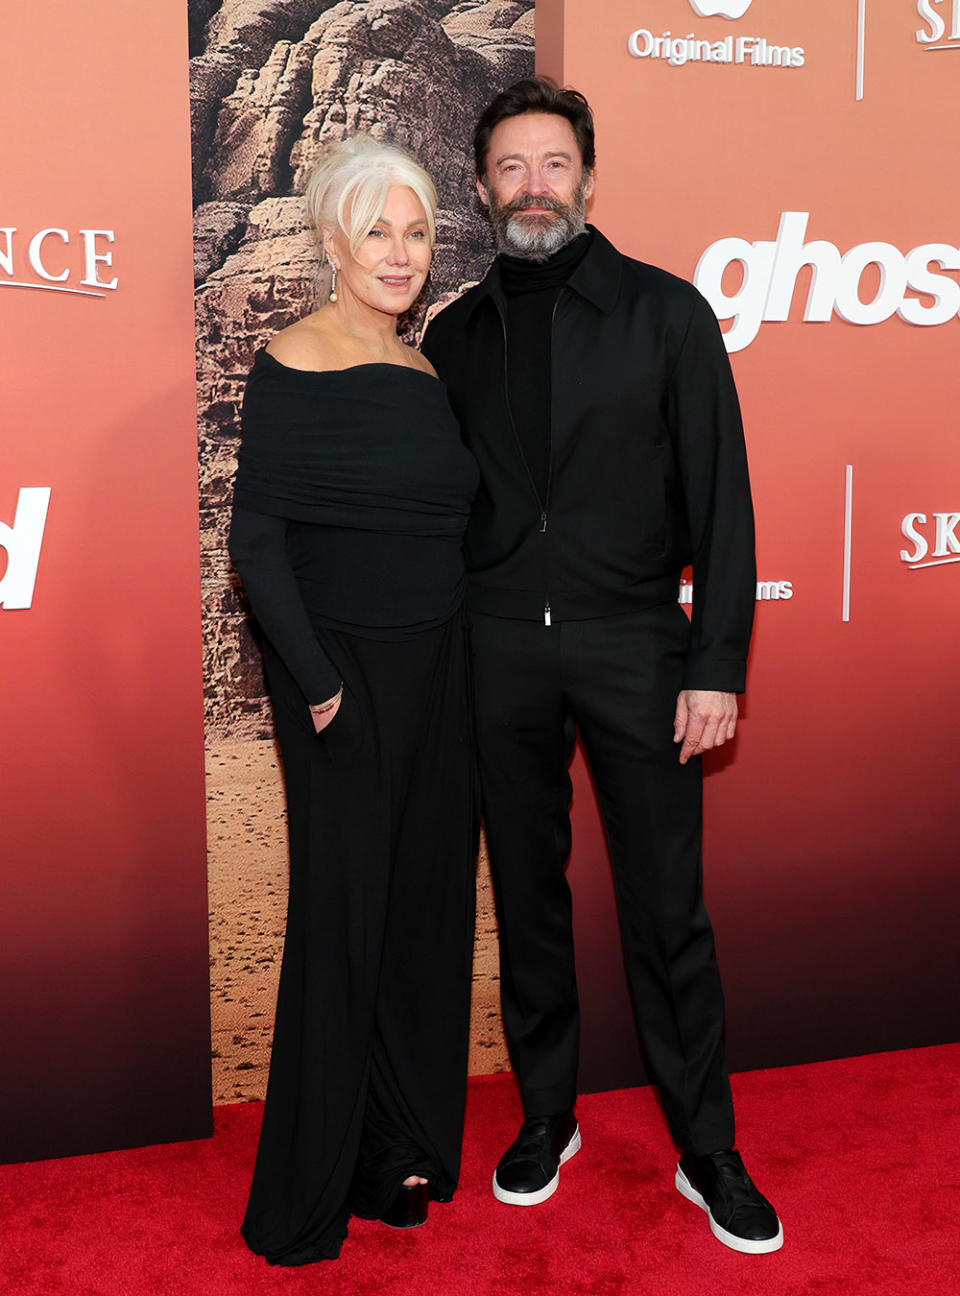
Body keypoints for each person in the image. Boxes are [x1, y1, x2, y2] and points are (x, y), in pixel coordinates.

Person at [422, 78, 782, 1255]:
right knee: (526, 899)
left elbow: (725, 503)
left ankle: (708, 1148)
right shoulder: (453, 335)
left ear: (589, 177)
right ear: (485, 189)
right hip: (493, 653)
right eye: (513, 168)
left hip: (638, 647)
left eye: (555, 164)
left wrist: (715, 662)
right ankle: (546, 1118)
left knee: (666, 910)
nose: (535, 186)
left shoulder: (668, 314)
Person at [229, 133, 479, 1265]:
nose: (400, 251)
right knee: (343, 925)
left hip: (442, 673)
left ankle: (402, 1147)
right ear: (333, 235)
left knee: (424, 914)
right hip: (347, 681)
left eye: (418, 229)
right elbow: (259, 542)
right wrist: (321, 688)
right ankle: (306, 1195)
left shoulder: (426, 370)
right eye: (377, 227)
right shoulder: (295, 357)